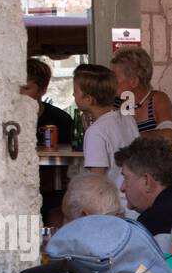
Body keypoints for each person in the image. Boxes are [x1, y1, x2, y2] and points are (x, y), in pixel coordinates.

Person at [110, 47, 172, 189]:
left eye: (114, 78)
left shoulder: (157, 99)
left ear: (133, 81)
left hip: (170, 181)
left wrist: (128, 137)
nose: (110, 83)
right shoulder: (115, 103)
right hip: (139, 183)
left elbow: (168, 137)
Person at [73, 63, 139, 213]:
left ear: (89, 99)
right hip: (133, 203)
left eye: (75, 91)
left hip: (114, 208)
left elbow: (97, 180)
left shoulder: (96, 132)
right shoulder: (127, 119)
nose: (73, 96)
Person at [22, 57, 76, 226]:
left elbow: (65, 163)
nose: (19, 94)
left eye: (26, 88)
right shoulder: (5, 119)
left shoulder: (60, 119)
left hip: (53, 191)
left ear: (42, 90)